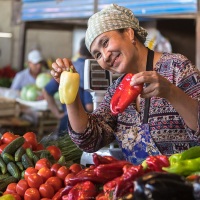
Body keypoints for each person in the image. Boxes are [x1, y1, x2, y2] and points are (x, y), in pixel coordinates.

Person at [50, 4, 200, 165]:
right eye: (97, 54)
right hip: (139, 186)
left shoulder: (176, 67)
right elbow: (89, 140)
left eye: (105, 42)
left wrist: (171, 92)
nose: (105, 56)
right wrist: (69, 90)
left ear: (129, 33)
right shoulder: (117, 88)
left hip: (183, 184)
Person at [43, 38, 93, 135]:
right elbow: (89, 106)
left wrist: (57, 114)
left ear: (79, 51)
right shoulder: (90, 70)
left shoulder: (67, 68)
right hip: (84, 122)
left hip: (65, 119)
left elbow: (46, 91)